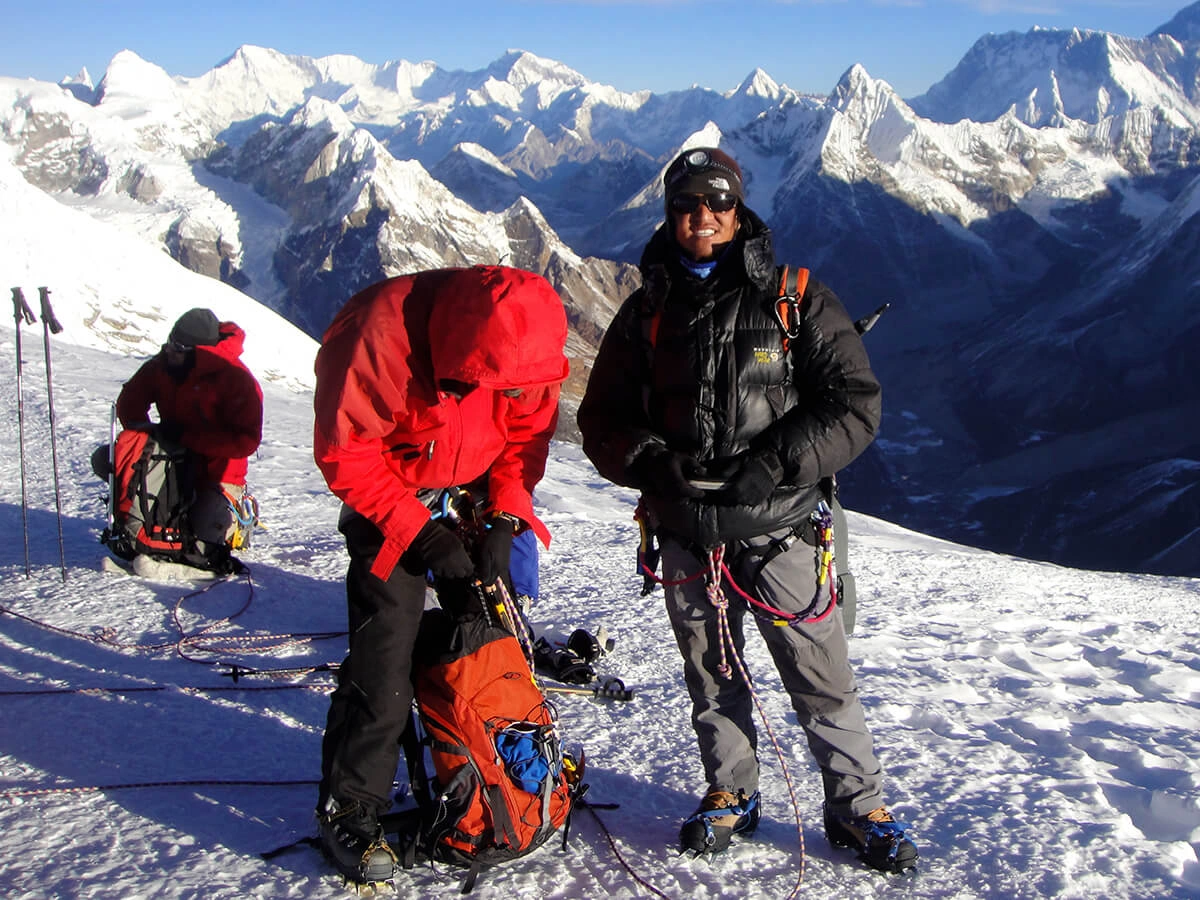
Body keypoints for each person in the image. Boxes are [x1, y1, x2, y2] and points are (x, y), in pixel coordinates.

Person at [576, 147, 918, 872]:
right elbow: (602, 417)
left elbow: (855, 405)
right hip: (686, 533)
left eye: (716, 202)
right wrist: (648, 460)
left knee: (821, 677)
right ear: (670, 213)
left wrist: (773, 464)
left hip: (782, 531)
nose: (702, 217)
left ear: (739, 210)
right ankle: (732, 791)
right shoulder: (646, 312)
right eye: (686, 204)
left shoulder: (793, 297)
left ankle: (858, 807)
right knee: (711, 677)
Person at [311, 265, 569, 884]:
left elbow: (526, 432)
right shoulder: (378, 335)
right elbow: (346, 452)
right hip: (390, 496)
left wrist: (506, 514)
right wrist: (423, 535)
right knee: (385, 656)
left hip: (472, 494)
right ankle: (351, 806)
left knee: (489, 645)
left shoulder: (525, 346)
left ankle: (491, 783)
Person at [113, 307, 263, 563]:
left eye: (178, 349)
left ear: (200, 354)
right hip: (172, 462)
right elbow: (130, 402)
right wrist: (150, 439)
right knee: (110, 462)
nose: (168, 352)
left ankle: (225, 526)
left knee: (206, 532)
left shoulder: (235, 378)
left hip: (217, 475)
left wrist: (187, 439)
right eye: (169, 343)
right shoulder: (164, 366)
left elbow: (246, 441)